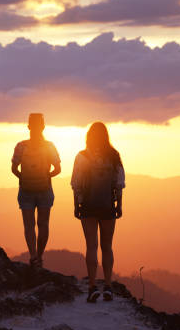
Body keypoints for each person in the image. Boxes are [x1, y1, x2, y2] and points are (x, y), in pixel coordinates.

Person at [71, 122, 125, 303]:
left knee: (91, 246)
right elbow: (119, 184)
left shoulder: (82, 157)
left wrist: (76, 205)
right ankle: (108, 286)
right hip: (108, 206)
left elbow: (76, 184)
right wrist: (119, 205)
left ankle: (92, 286)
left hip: (88, 206)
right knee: (107, 246)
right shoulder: (114, 156)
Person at [11, 113, 61, 268]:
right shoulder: (50, 146)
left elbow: (13, 168)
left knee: (29, 225)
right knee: (43, 224)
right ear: (43, 127)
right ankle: (40, 256)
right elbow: (58, 169)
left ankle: (32, 256)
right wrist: (47, 176)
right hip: (45, 189)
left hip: (26, 189)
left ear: (28, 127)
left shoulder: (21, 146)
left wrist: (23, 178)